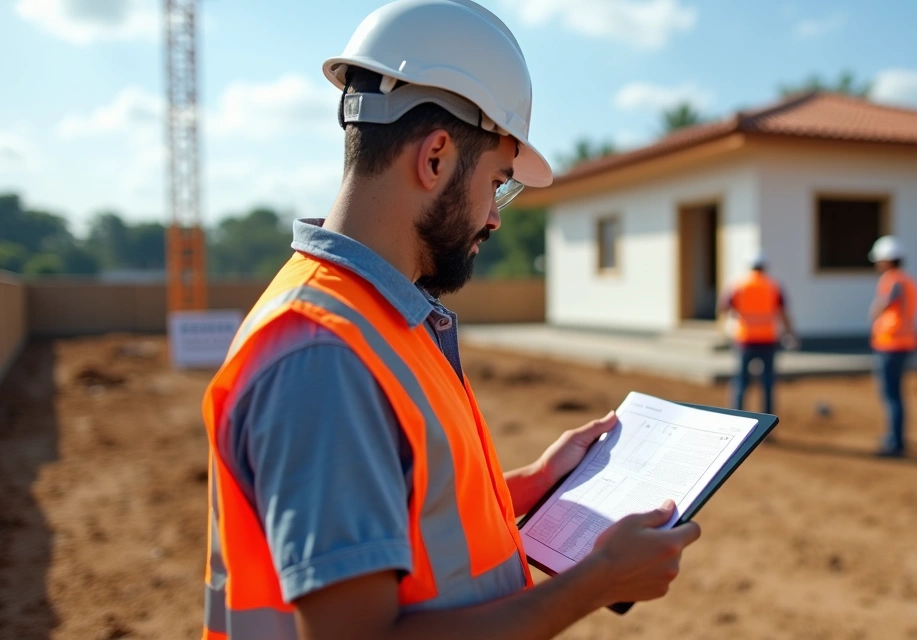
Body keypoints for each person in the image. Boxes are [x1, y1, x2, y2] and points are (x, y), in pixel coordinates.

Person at [199, 2, 701, 639]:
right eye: (496, 182)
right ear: (435, 157)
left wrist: (537, 484)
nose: (494, 217)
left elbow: (414, 520)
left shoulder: (371, 318)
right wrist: (595, 583)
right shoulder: (323, 354)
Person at [719, 253, 796, 415]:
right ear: (765, 266)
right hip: (767, 339)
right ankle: (767, 420)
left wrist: (723, 329)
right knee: (768, 382)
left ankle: (737, 417)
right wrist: (790, 333)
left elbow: (724, 307)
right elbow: (783, 312)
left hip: (745, 339)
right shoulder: (773, 285)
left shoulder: (739, 285)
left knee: (741, 381)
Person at [868, 235, 917, 457]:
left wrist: (874, 312)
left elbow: (884, 304)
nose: (877, 265)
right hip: (904, 342)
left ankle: (895, 442)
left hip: (891, 344)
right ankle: (894, 437)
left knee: (891, 394)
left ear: (888, 260)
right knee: (895, 393)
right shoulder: (908, 280)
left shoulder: (893, 281)